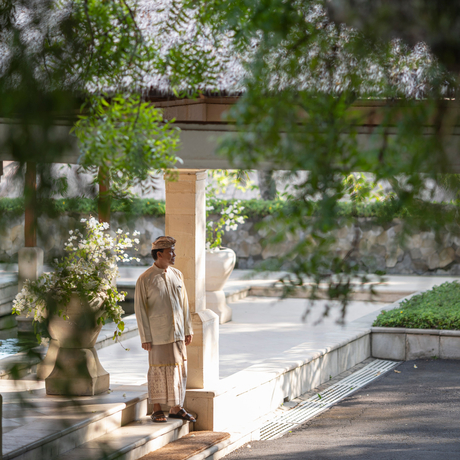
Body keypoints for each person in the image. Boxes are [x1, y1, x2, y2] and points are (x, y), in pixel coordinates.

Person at [134, 235, 196, 423]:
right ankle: (157, 409)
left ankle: (176, 408)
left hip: (177, 332)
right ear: (159, 254)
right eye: (171, 252)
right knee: (158, 370)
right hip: (157, 334)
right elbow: (139, 310)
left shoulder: (177, 275)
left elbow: (184, 305)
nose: (174, 255)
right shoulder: (145, 279)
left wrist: (188, 328)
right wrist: (145, 336)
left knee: (177, 369)